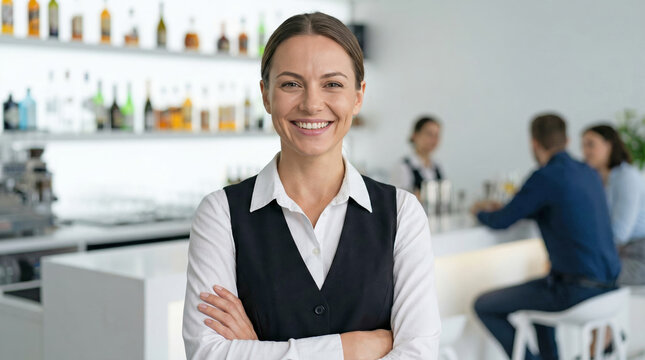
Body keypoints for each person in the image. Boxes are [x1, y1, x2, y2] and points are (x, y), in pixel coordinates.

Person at [182, 12, 441, 360]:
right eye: (291, 84)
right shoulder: (219, 214)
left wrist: (258, 351)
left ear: (358, 96)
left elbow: (418, 355)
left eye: (332, 84)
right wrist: (350, 349)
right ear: (266, 95)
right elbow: (208, 355)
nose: (312, 103)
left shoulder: (403, 214)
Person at [471, 113, 621, 360]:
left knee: (484, 305)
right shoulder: (588, 172)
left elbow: (501, 221)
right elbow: (562, 208)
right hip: (611, 287)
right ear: (568, 140)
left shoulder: (544, 177)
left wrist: (479, 212)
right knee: (542, 294)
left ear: (534, 143)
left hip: (575, 291)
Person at [582, 124, 645, 285]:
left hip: (638, 254)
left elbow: (620, 232)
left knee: (585, 278)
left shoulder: (626, 177)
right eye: (583, 145)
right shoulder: (597, 179)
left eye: (591, 144)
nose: (585, 151)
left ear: (609, 145)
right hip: (617, 253)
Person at [392, 116, 444, 198]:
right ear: (415, 135)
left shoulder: (437, 166)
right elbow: (397, 200)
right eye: (429, 134)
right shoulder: (403, 166)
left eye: (436, 135)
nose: (434, 139)